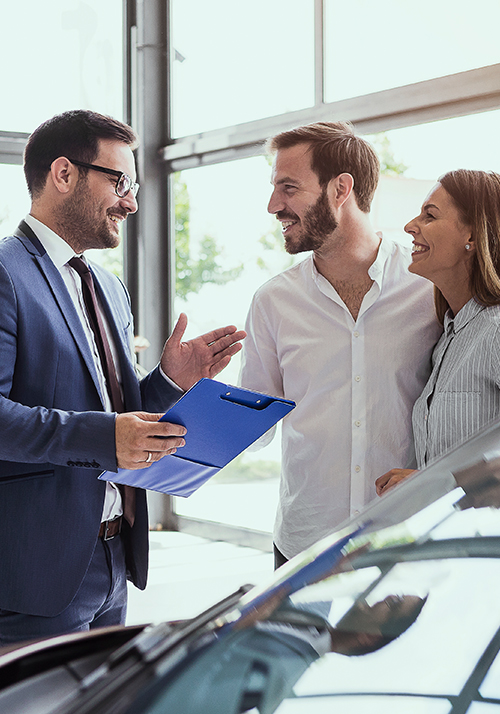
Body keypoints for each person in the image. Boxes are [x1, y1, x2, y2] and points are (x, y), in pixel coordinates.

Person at [0, 109, 245, 645]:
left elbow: (120, 412)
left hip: (113, 559)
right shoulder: (4, 274)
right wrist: (105, 438)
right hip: (35, 572)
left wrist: (168, 381)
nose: (131, 201)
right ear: (64, 175)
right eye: (120, 182)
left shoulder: (110, 289)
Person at [239, 121, 441, 568]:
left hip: (406, 539)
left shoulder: (428, 287)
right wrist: (188, 392)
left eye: (288, 188)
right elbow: (253, 429)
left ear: (340, 188)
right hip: (303, 545)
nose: (274, 205)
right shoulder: (273, 301)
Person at [377, 169, 500, 496]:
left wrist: (434, 482)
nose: (409, 227)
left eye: (429, 216)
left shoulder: (496, 329)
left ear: (472, 235)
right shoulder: (448, 334)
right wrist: (425, 478)